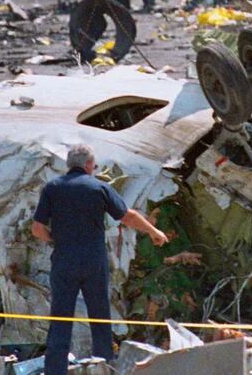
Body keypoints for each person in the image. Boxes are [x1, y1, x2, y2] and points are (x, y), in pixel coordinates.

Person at [32, 144, 169, 375]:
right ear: (88, 165)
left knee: (60, 321)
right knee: (100, 320)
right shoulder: (99, 187)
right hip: (93, 262)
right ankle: (104, 367)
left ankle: (55, 370)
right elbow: (128, 216)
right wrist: (153, 231)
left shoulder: (52, 188)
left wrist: (56, 240)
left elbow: (37, 229)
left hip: (64, 262)